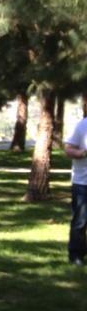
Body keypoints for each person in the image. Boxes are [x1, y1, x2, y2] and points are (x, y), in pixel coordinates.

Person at [64, 114, 87, 266]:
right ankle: (76, 255)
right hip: (83, 183)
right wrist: (82, 153)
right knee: (80, 220)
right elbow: (68, 150)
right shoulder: (81, 126)